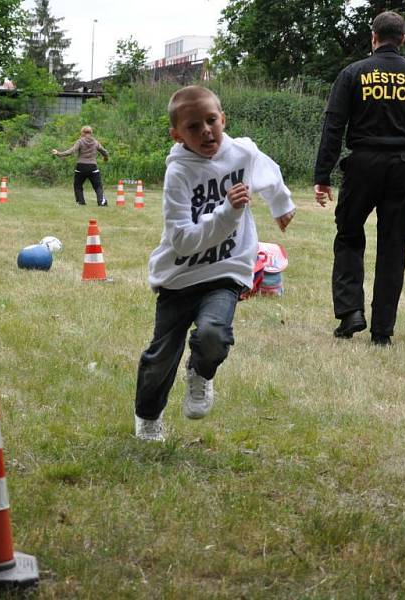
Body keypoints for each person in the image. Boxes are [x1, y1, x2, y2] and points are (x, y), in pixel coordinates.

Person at [134, 86, 296, 442]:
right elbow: (183, 239)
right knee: (161, 355)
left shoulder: (242, 152)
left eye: (211, 121)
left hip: (226, 269)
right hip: (179, 276)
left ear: (223, 119)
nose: (206, 131)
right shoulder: (178, 174)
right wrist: (227, 212)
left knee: (213, 335)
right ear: (177, 135)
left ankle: (201, 372)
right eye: (193, 127)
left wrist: (281, 204)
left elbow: (267, 170)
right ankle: (148, 416)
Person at [313, 10, 405, 346]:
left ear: (373, 37)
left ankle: (350, 313)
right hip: (404, 168)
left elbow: (333, 126)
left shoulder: (352, 74)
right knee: (393, 247)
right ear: (403, 39)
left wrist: (322, 175)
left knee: (348, 236)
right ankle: (382, 332)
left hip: (362, 166)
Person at [51, 126, 110, 206]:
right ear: (91, 133)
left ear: (82, 133)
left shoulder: (80, 141)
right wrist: (106, 158)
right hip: (93, 167)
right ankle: (101, 202)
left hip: (81, 167)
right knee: (98, 186)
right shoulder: (96, 142)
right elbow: (104, 152)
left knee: (78, 185)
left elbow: (71, 151)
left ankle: (81, 202)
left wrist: (58, 153)